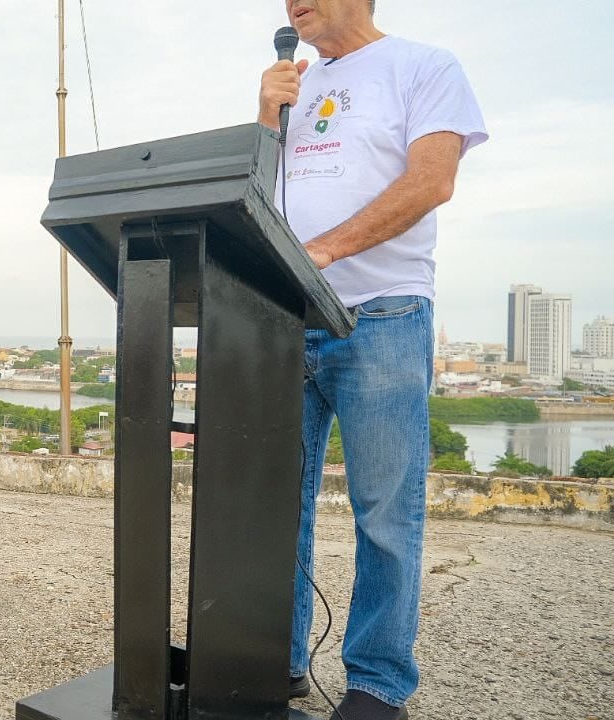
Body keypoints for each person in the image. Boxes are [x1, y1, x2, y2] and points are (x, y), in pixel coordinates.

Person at [258, 1, 487, 718]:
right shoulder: (295, 83)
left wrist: (324, 251)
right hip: (282, 319)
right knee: (272, 507)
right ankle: (277, 661)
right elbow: (255, 196)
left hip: (381, 314)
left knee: (386, 510)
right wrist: (265, 121)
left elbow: (431, 180)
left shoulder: (424, 66)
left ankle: (376, 684)